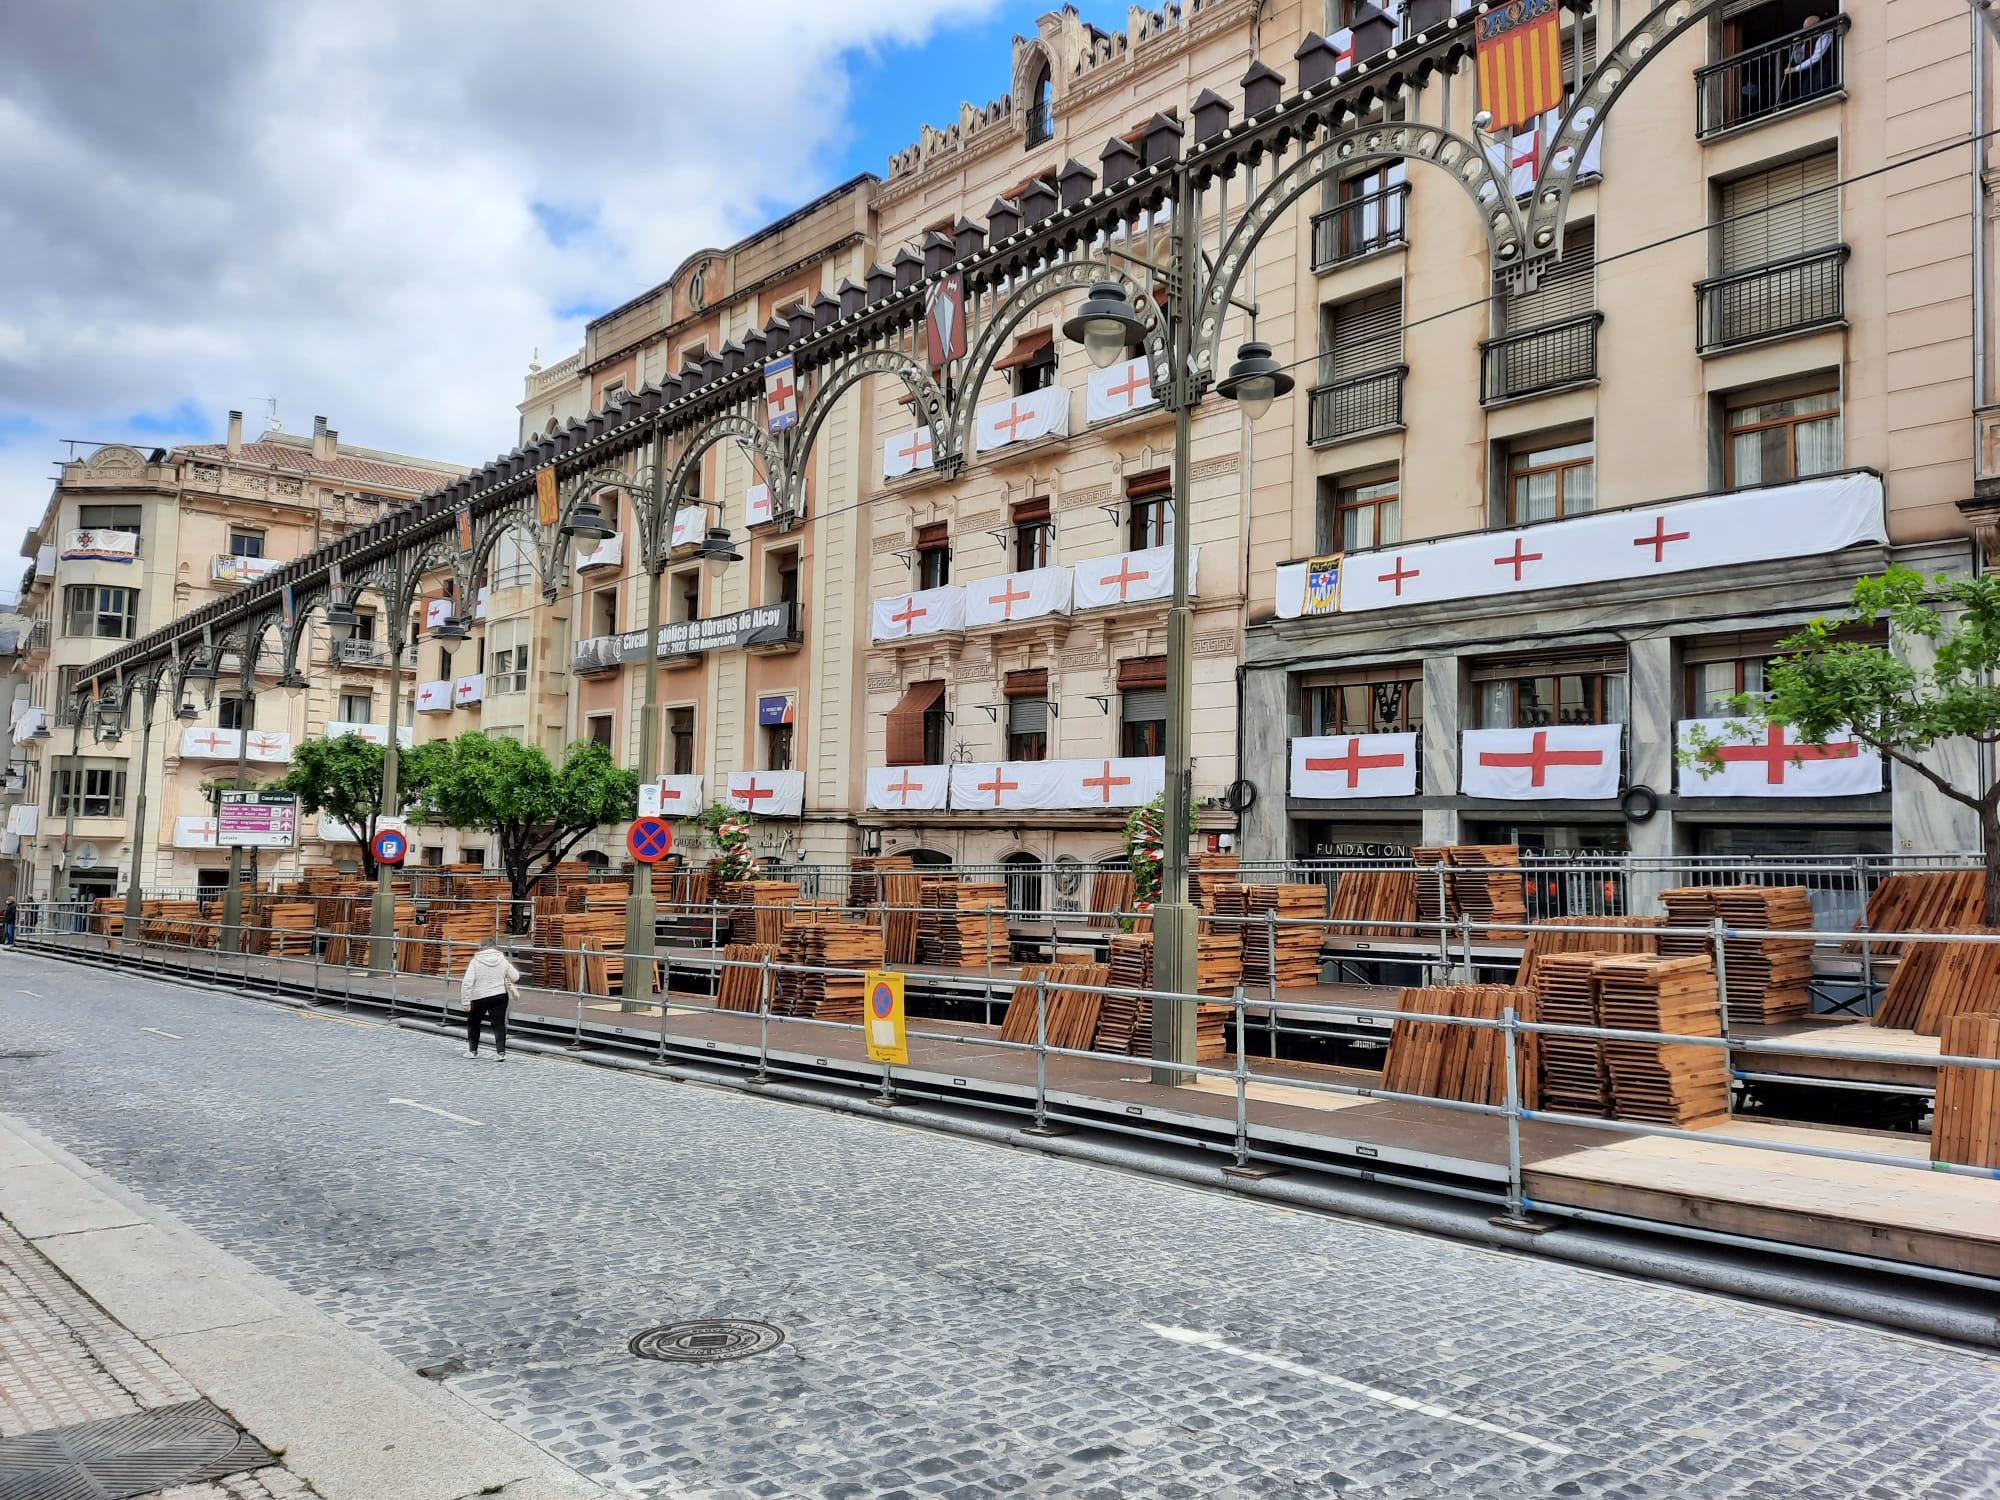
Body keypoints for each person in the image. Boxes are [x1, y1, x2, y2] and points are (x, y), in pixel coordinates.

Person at [459, 938, 520, 1060]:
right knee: (499, 1024)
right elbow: (515, 976)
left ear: (483, 947)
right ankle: (500, 1053)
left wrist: (465, 1001)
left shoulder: (475, 962)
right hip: (499, 995)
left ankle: (473, 1051)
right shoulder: (502, 959)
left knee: (473, 1022)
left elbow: (467, 982)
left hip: (479, 997)